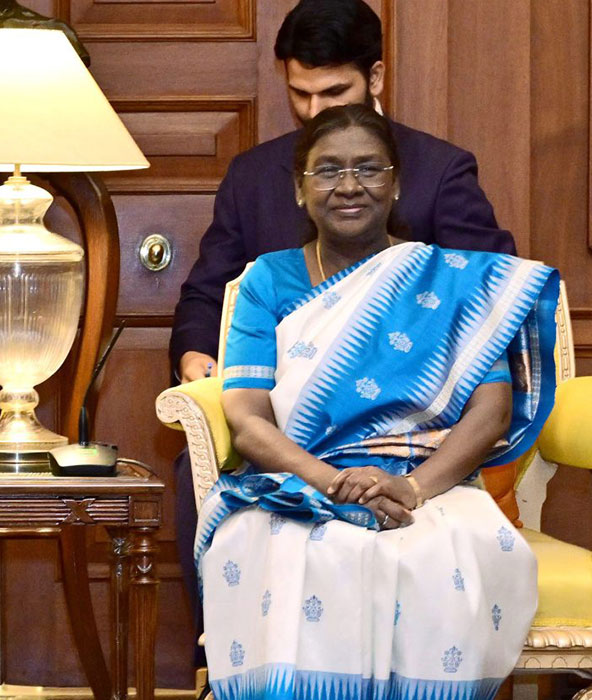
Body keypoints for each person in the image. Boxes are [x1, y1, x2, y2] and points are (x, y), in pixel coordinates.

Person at [169, 0, 517, 636]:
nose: (314, 111)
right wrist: (199, 355)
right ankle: (224, 661)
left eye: (334, 90)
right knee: (195, 468)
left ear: (376, 77)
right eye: (299, 93)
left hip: (416, 427)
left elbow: (488, 299)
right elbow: (206, 292)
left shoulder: (437, 169)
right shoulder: (253, 174)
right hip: (285, 417)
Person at [195, 103, 556, 700]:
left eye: (369, 168)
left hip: (429, 482)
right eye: (328, 171)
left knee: (446, 554)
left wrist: (414, 488)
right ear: (299, 189)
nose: (349, 186)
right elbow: (247, 418)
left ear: (396, 184)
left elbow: (490, 411)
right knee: (289, 549)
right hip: (303, 479)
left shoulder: (447, 281)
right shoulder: (268, 279)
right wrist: (329, 479)